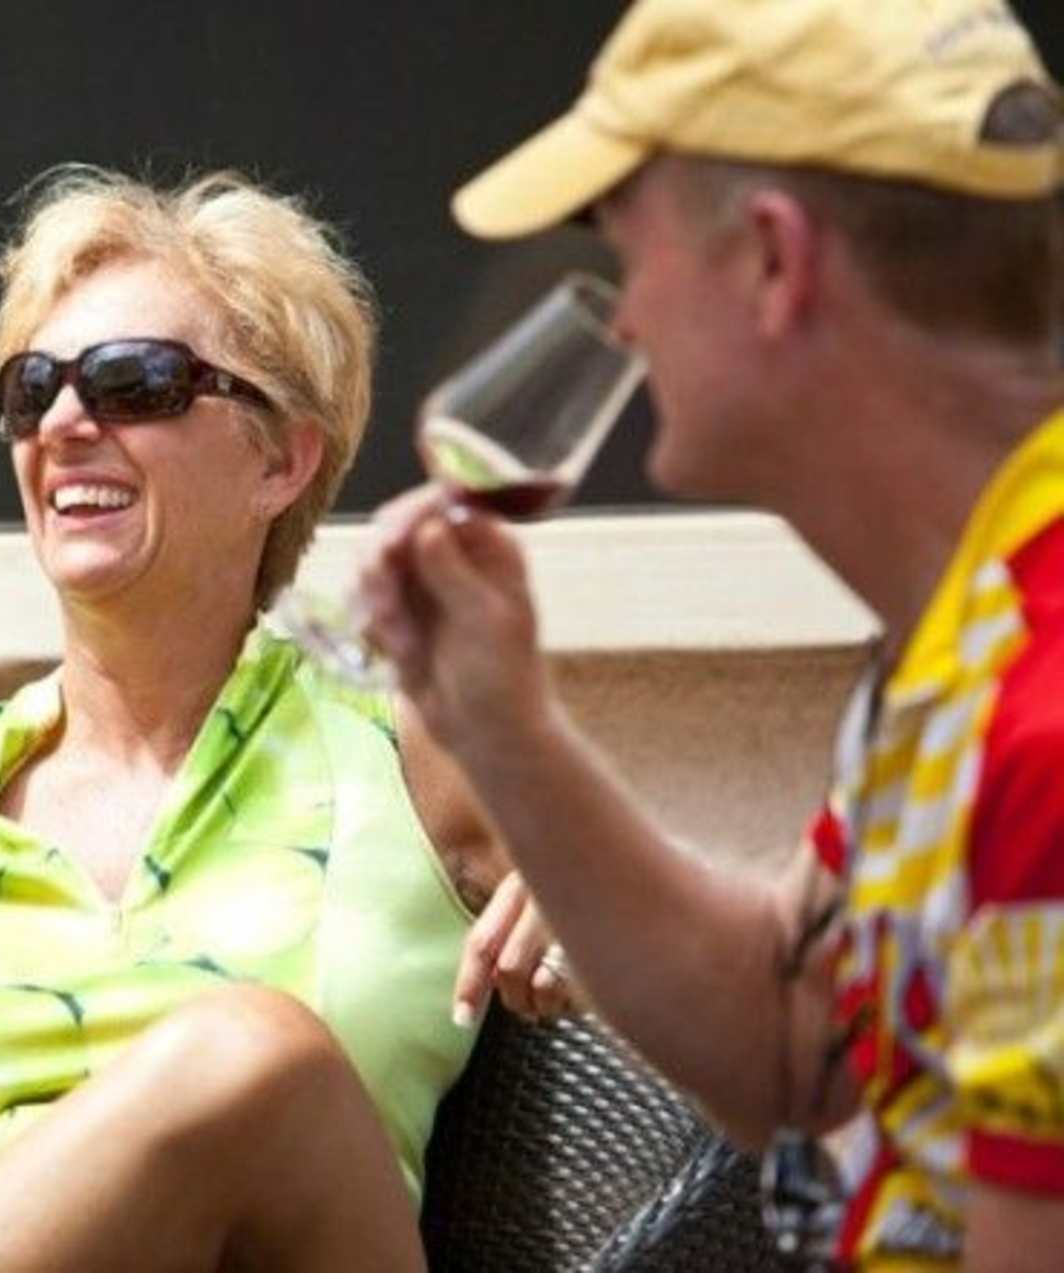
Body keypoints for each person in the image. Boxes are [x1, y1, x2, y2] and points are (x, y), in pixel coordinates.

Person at [0, 168, 577, 1272]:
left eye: (137, 383)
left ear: (281, 457)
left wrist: (588, 925)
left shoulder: (411, 748)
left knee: (254, 1052)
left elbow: (741, 1015)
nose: (69, 421)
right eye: (35, 389)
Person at [361, 1, 1064, 1268]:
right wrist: (503, 734)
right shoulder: (964, 627)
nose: (621, 323)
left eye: (629, 258)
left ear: (771, 262)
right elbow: (794, 1044)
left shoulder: (1043, 720)